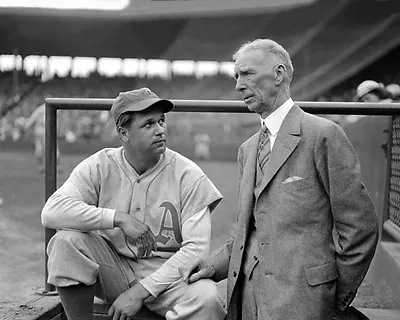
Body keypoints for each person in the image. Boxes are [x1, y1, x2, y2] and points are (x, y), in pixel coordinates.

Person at [180, 39, 379, 320]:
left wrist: (330, 298)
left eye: (247, 74)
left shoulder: (323, 135)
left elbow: (360, 228)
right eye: (236, 76)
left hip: (306, 305)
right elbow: (248, 232)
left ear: (279, 73)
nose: (238, 85)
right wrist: (212, 266)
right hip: (248, 303)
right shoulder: (247, 150)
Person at [41, 87, 226, 320]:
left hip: (171, 279)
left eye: (161, 121)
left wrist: (140, 292)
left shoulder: (188, 175)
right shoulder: (100, 165)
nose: (160, 130)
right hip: (113, 270)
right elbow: (51, 212)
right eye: (148, 124)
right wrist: (117, 218)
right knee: (65, 242)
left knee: (208, 299)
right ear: (123, 133)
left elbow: (196, 251)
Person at [24, 103, 62, 174]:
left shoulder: (41, 108)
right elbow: (33, 118)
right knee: (48, 149)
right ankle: (49, 167)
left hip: (44, 129)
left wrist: (27, 126)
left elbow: (33, 118)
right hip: (44, 129)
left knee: (43, 149)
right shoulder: (43, 108)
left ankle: (44, 167)